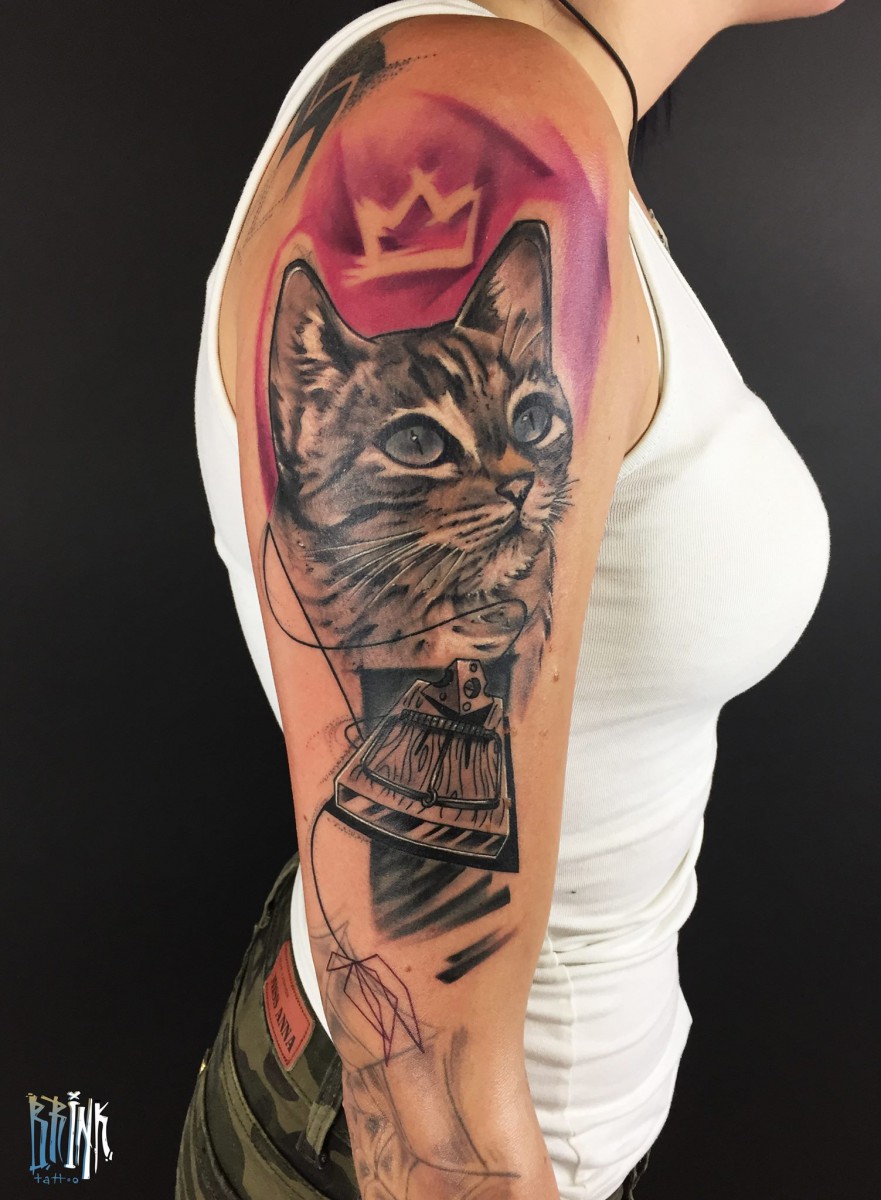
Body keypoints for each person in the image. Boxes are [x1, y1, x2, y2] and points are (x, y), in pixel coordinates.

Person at [178, 1, 838, 1197]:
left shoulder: (500, 107)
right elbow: (422, 1102)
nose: (513, 479)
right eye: (434, 444)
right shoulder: (472, 121)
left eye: (524, 424)